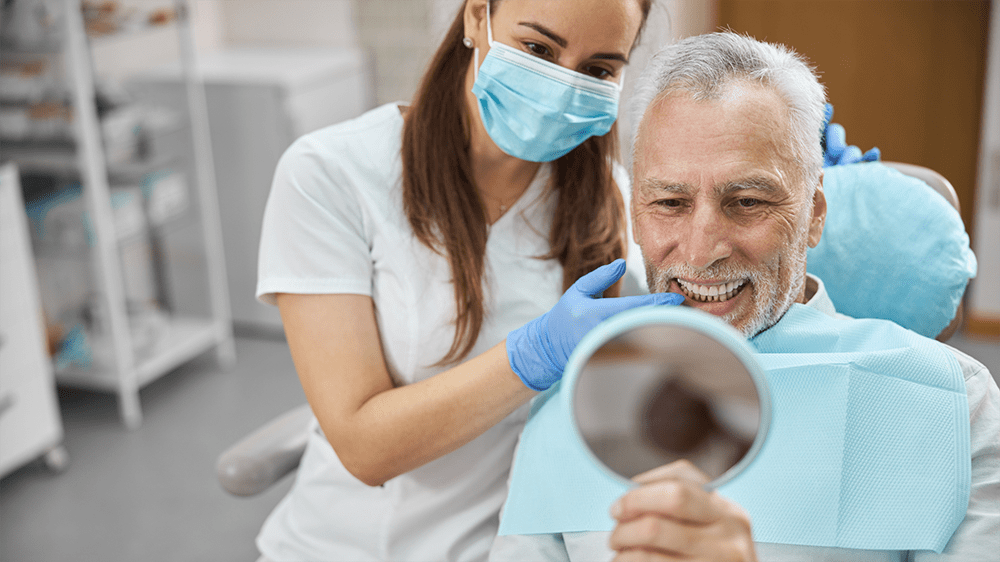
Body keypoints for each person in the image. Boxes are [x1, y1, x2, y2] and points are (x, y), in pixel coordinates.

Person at [490, 32, 998, 562]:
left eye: (747, 201)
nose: (703, 249)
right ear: (635, 215)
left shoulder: (954, 406)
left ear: (814, 216)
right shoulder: (573, 399)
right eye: (669, 201)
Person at [249, 1, 690, 560]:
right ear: (477, 18)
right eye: (538, 49)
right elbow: (364, 448)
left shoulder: (613, 202)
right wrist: (532, 355)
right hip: (352, 546)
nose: (561, 85)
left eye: (599, 71)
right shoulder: (332, 174)